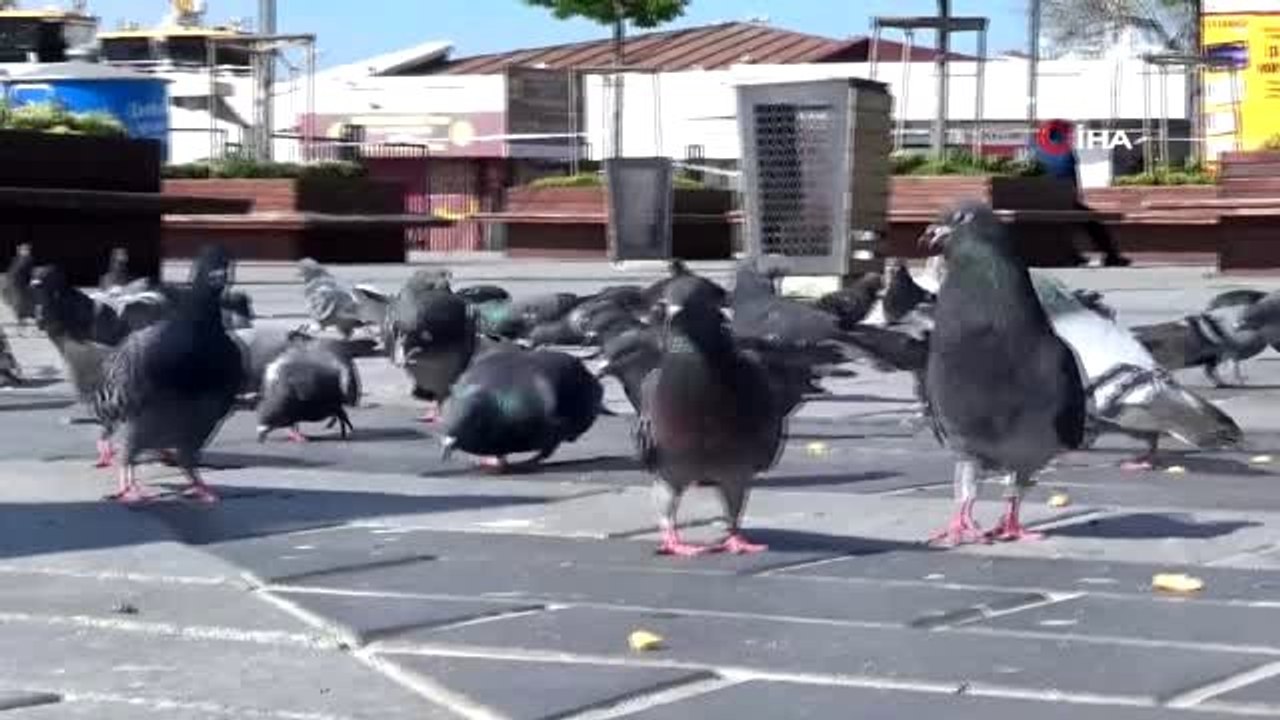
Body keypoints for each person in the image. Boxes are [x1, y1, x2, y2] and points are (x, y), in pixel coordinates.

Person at [1033, 121, 1132, 267]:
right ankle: (1111, 255)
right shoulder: (1064, 151)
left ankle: (1074, 254)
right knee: (1092, 222)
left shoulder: (1037, 150)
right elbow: (1071, 179)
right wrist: (1076, 196)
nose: (1071, 135)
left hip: (1038, 201)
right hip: (1062, 201)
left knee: (1071, 221)